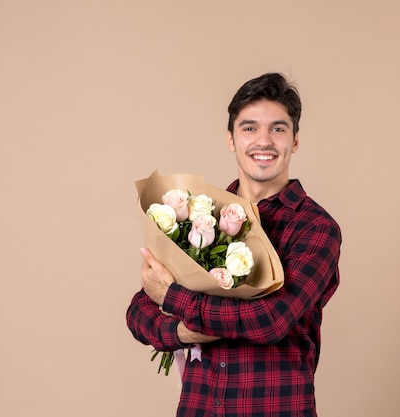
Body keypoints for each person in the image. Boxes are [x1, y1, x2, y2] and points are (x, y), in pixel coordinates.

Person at [126, 73, 342, 417]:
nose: (264, 141)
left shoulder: (315, 227)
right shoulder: (201, 216)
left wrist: (173, 298)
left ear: (295, 141)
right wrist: (183, 332)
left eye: (278, 128)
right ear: (231, 139)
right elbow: (139, 310)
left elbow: (272, 320)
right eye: (249, 127)